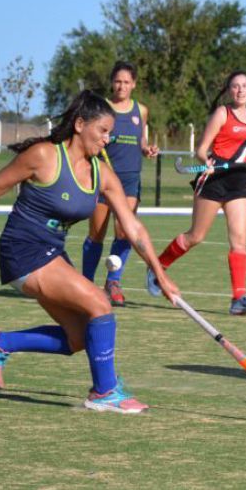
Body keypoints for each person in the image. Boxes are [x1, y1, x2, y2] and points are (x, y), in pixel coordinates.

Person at [0, 90, 178, 414]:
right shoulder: (44, 155)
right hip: (21, 249)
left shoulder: (101, 173)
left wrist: (161, 275)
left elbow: (133, 228)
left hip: (52, 251)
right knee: (101, 304)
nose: (108, 138)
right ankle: (105, 391)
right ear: (79, 124)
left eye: (110, 132)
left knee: (78, 337)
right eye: (102, 131)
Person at [145, 70, 246, 315]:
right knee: (196, 236)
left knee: (239, 240)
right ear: (229, 90)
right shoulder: (222, 113)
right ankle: (157, 267)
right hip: (214, 178)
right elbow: (201, 150)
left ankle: (238, 299)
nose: (240, 90)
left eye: (245, 85)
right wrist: (207, 161)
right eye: (235, 86)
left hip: (238, 181)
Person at [80, 61, 159, 306]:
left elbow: (141, 140)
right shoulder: (102, 109)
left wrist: (147, 149)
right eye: (117, 81)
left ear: (133, 84)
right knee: (97, 233)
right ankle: (85, 284)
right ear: (112, 82)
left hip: (129, 179)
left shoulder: (141, 110)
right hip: (103, 178)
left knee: (124, 231)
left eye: (126, 82)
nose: (121, 86)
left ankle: (113, 282)